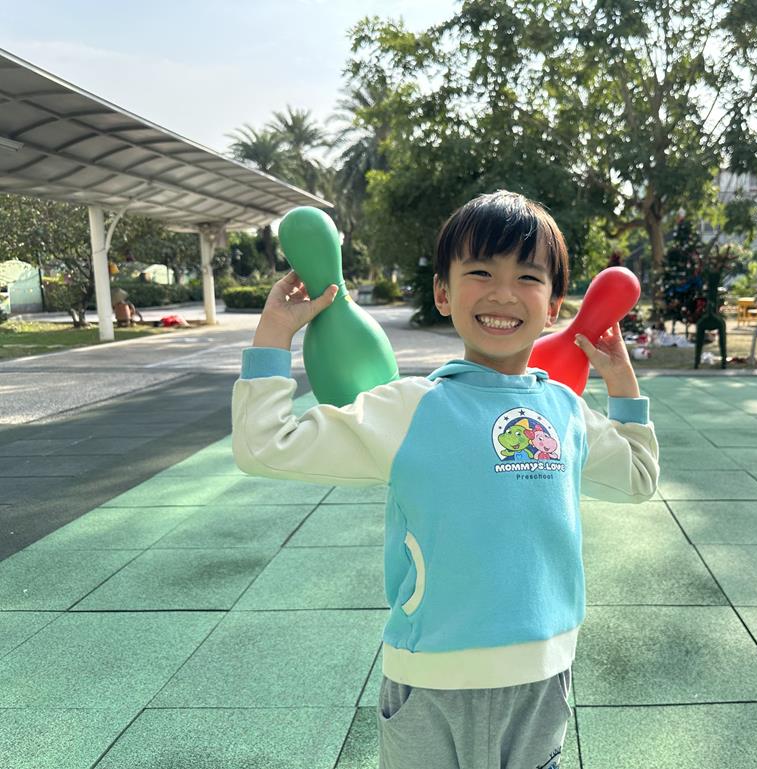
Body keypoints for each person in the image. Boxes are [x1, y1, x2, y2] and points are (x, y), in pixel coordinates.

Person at [231, 190, 659, 769]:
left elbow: (638, 477)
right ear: (442, 293)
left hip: (542, 677)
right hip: (432, 678)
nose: (503, 293)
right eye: (480, 272)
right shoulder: (409, 408)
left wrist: (623, 384)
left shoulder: (564, 411)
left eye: (528, 277)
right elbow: (264, 445)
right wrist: (274, 333)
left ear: (554, 305)